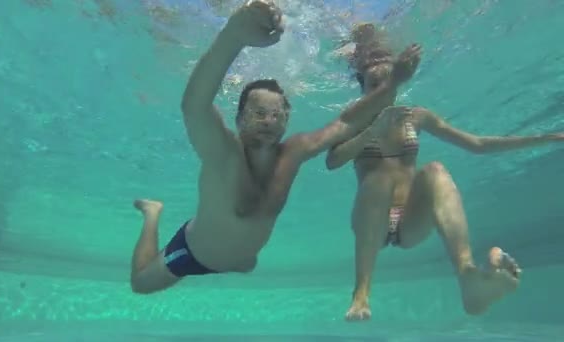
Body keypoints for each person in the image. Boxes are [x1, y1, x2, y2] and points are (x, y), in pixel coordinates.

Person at [128, 1, 421, 294]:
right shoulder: (225, 152)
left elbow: (345, 123)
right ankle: (153, 213)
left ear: (287, 119)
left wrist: (392, 84)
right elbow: (194, 106)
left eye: (276, 114)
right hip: (195, 254)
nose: (268, 121)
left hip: (241, 258)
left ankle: (236, 259)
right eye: (258, 114)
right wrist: (233, 37)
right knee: (141, 283)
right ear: (240, 118)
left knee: (246, 263)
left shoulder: (293, 153)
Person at [326, 22, 564, 321]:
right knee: (378, 178)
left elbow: (476, 144)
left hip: (411, 221)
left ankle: (468, 277)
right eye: (375, 84)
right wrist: (372, 131)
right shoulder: (354, 120)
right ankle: (361, 294)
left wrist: (543, 137)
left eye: (390, 82)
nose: (385, 91)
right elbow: (332, 160)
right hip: (371, 221)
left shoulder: (416, 116)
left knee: (436, 170)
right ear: (362, 85)